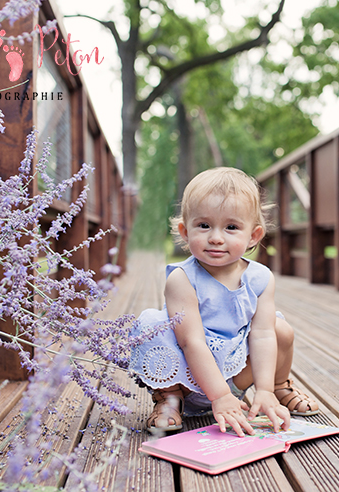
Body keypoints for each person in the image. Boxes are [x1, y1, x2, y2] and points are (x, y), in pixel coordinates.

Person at [129, 167, 319, 437]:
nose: (216, 237)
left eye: (231, 227)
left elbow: (263, 335)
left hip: (235, 373)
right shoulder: (182, 279)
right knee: (153, 323)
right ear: (185, 230)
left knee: (279, 329)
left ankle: (277, 388)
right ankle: (168, 401)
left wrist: (261, 389)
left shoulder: (260, 278)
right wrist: (218, 395)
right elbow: (190, 341)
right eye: (204, 225)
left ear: (253, 236)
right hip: (187, 379)